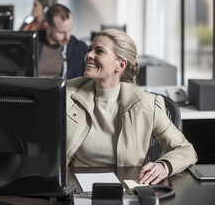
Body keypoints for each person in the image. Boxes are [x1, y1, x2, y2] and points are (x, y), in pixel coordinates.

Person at [66, 29, 197, 185]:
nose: (89, 55)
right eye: (90, 50)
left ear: (120, 65)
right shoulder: (67, 93)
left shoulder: (147, 105)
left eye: (99, 51)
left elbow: (186, 150)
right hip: (74, 186)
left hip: (124, 188)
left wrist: (164, 166)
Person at [38, 3, 87, 79]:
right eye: (61, 32)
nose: (67, 37)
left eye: (69, 30)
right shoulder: (29, 45)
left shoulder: (79, 50)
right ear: (47, 27)